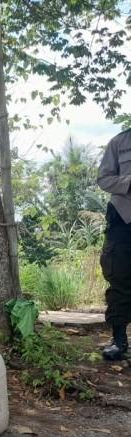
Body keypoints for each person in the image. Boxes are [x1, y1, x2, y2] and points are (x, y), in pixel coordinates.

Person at [96, 128, 131, 361]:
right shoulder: (119, 142)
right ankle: (119, 341)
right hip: (123, 220)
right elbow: (104, 178)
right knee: (119, 279)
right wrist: (128, 183)